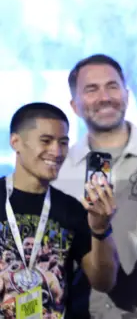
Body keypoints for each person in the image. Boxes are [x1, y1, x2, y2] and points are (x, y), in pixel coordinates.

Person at [56, 54, 137, 318]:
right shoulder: (60, 170)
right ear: (74, 105)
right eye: (91, 90)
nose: (104, 97)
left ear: (127, 95)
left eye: (112, 86)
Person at [1, 102, 118, 318]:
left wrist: (101, 229)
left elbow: (104, 282)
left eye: (63, 143)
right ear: (15, 141)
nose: (56, 151)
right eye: (46, 141)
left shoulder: (72, 208)